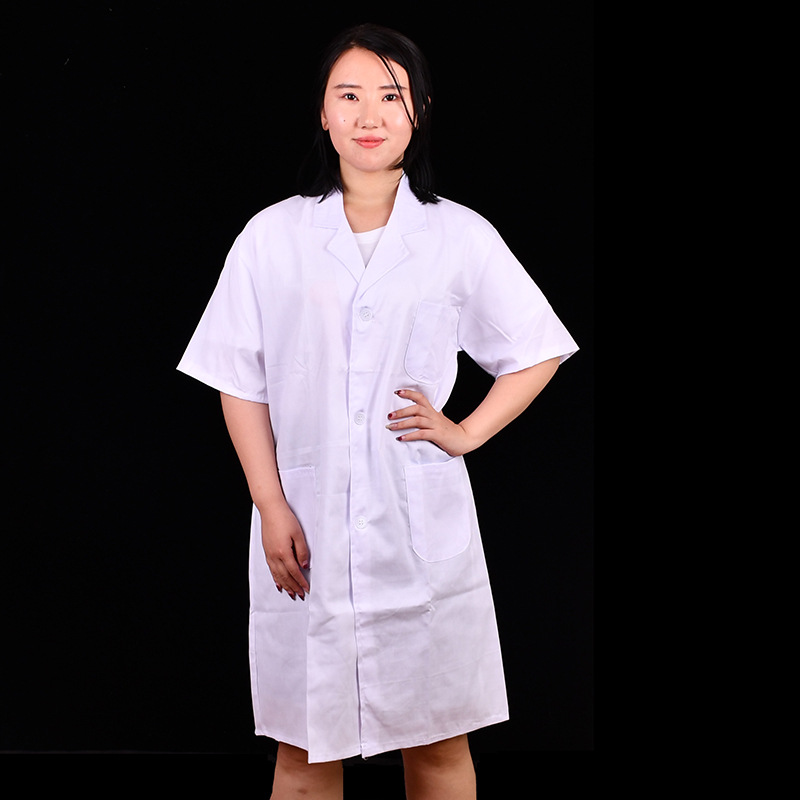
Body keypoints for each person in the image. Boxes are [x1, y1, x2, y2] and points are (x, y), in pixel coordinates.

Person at [178, 23, 578, 800]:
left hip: (417, 525)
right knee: (303, 755)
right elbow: (239, 378)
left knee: (438, 746)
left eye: (391, 97)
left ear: (418, 110)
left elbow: (536, 349)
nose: (370, 115)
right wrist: (269, 503)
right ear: (323, 113)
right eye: (349, 95)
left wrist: (466, 432)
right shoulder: (272, 237)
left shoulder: (458, 235)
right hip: (307, 522)